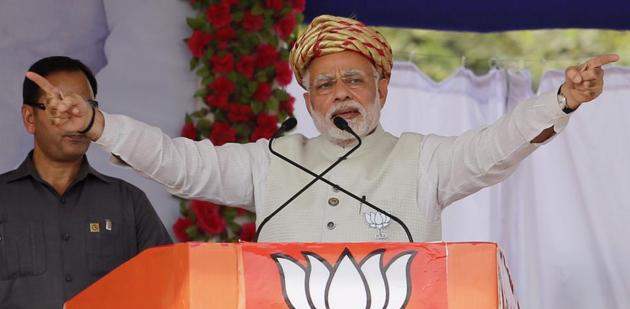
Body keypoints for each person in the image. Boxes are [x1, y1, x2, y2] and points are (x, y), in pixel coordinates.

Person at [26, 16, 618, 244]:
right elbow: (184, 163)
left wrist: (561, 100)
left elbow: (494, 145)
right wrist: (99, 124)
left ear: (382, 90)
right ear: (307, 99)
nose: (342, 92)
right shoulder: (272, 161)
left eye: (355, 80)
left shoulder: (424, 159)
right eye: (327, 83)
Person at [0, 56, 172, 309]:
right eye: (58, 107)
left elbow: (168, 293)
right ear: (30, 118)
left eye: (85, 106)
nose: (75, 118)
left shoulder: (127, 201)